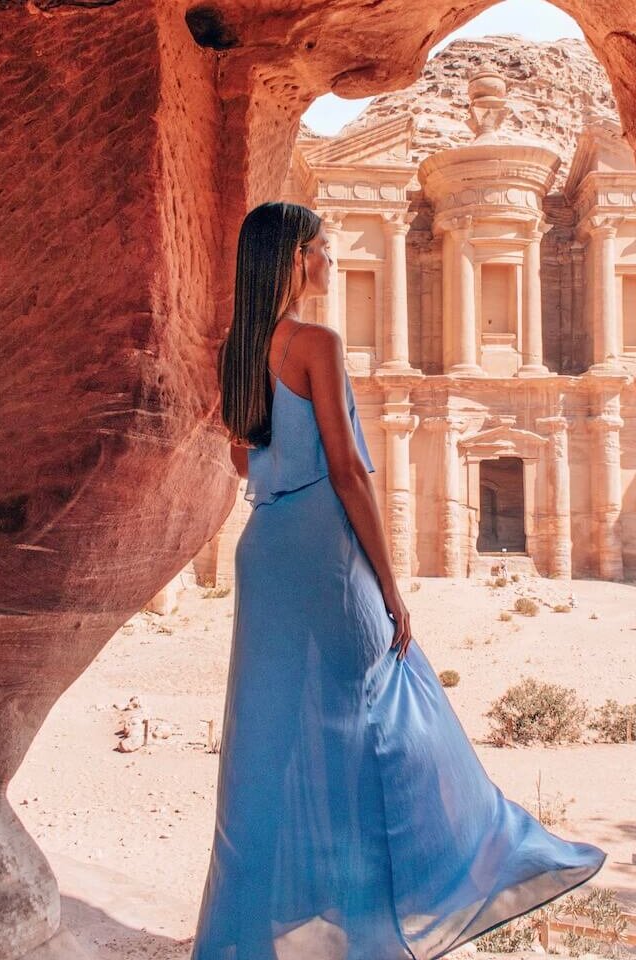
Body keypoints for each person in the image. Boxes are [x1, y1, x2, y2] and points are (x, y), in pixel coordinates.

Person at [190, 201, 606, 960]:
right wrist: (390, 584)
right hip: (323, 549)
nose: (327, 260)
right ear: (291, 259)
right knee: (379, 713)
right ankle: (417, 892)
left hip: (265, 548)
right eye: (319, 249)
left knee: (269, 738)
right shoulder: (317, 341)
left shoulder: (237, 350)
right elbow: (349, 470)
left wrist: (287, 478)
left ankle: (250, 936)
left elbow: (241, 459)